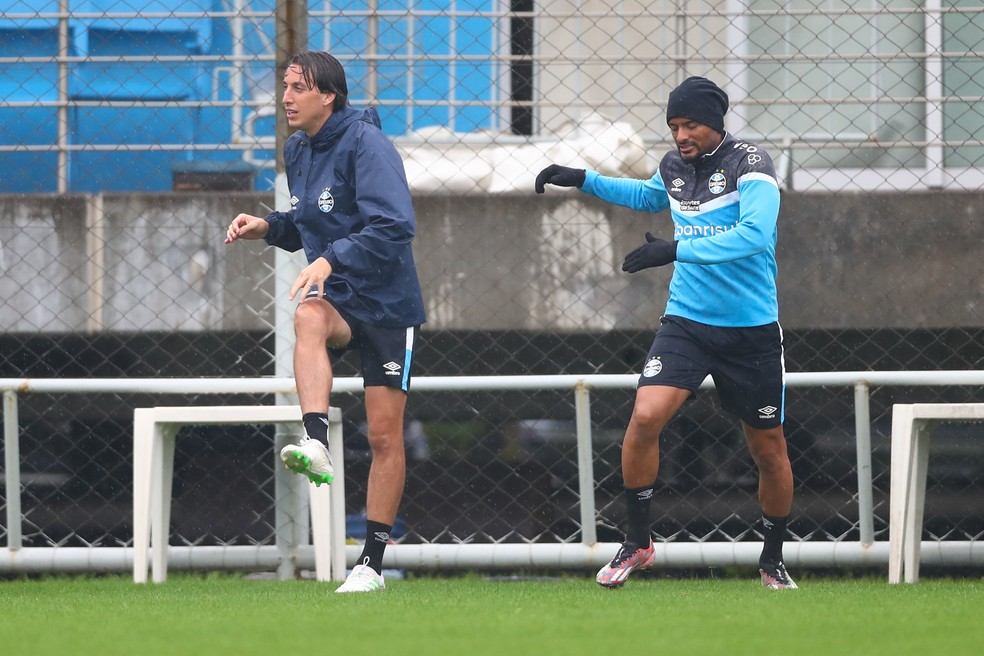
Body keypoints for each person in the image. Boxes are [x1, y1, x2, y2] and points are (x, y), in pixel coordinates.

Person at [535, 76, 796, 590]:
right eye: (674, 126)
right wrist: (584, 178)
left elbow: (753, 236)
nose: (681, 135)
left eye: (690, 124)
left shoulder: (752, 165)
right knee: (645, 415)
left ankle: (772, 559)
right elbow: (649, 195)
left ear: (715, 123)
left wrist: (676, 250)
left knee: (768, 449)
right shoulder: (674, 166)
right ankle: (637, 544)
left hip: (751, 332)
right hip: (687, 323)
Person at [225, 51, 426, 593]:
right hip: (338, 297)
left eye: (299, 87)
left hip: (388, 305)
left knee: (385, 435)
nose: (286, 97)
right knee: (307, 316)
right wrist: (266, 225)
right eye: (285, 86)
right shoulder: (298, 148)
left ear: (328, 96)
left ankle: (372, 565)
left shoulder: (368, 145)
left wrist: (332, 258)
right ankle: (315, 440)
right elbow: (308, 221)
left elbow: (395, 226)